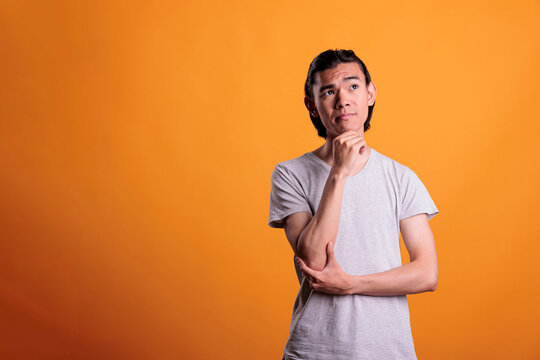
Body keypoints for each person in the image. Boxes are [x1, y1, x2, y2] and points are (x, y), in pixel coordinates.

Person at [268, 49, 439, 360]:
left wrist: (351, 284)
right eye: (329, 91)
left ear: (370, 94)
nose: (342, 99)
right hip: (314, 351)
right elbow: (315, 260)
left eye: (353, 86)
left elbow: (427, 273)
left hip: (389, 350)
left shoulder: (400, 177)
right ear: (312, 104)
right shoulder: (289, 174)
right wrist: (339, 172)